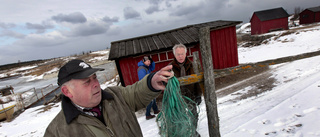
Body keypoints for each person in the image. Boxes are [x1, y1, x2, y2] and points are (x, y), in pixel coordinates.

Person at [44, 59, 173, 137]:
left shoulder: (115, 96)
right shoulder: (57, 132)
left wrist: (151, 83)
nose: (95, 84)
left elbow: (135, 93)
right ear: (67, 91)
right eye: (86, 82)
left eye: (95, 78)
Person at [169, 44, 202, 136]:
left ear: (186, 53)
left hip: (191, 97)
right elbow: (166, 85)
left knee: (194, 116)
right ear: (175, 55)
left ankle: (193, 132)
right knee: (180, 118)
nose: (180, 56)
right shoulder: (170, 68)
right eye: (178, 54)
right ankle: (185, 133)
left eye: (182, 54)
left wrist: (198, 94)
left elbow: (197, 81)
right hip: (177, 99)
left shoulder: (192, 65)